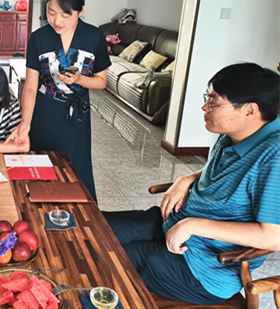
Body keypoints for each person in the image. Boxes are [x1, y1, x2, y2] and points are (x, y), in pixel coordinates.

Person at [103, 63, 280, 304]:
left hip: (200, 267)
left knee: (102, 260)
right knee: (94, 228)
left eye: (214, 103)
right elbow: (235, 172)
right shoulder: (237, 132)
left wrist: (192, 225)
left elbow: (273, 238)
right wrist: (187, 178)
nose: (205, 108)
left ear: (249, 110)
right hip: (173, 225)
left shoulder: (274, 156)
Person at [6, 0, 111, 200]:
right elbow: (31, 86)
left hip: (76, 118)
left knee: (75, 175)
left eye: (65, 15)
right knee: (39, 173)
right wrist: (25, 123)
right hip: (45, 114)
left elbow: (101, 81)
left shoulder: (94, 37)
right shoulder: (39, 38)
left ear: (80, 11)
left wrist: (80, 79)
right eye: (51, 12)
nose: (57, 21)